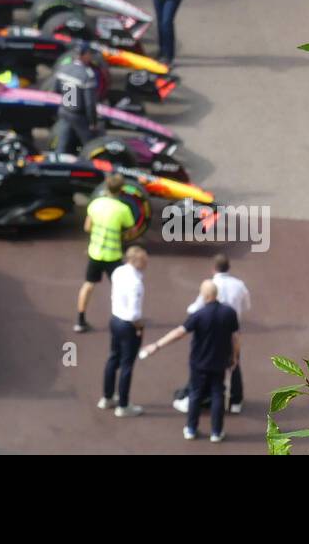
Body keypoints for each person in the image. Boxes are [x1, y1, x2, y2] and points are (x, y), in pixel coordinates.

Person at [141, 279, 240, 442]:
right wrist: (235, 356)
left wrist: (157, 345)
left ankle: (191, 429)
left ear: (205, 295)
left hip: (199, 363)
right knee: (217, 394)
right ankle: (216, 432)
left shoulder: (199, 315)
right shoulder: (229, 313)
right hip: (219, 362)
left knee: (195, 394)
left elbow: (179, 333)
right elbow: (235, 337)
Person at [183, 254, 252, 414]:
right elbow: (246, 305)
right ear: (229, 267)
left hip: (212, 331)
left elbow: (195, 308)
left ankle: (202, 396)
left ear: (213, 268)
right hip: (232, 330)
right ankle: (236, 401)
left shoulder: (211, 286)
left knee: (206, 365)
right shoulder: (239, 285)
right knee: (234, 364)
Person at [75, 172, 138, 333]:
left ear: (106, 187)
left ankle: (80, 321)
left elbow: (87, 227)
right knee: (121, 287)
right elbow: (132, 231)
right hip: (113, 256)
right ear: (121, 189)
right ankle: (123, 320)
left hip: (95, 253)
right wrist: (122, 235)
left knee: (88, 285)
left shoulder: (95, 204)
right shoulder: (123, 209)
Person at [99, 245, 147, 418]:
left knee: (113, 358)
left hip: (115, 320)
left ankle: (107, 397)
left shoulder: (118, 272)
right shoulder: (136, 284)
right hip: (128, 326)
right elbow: (134, 314)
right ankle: (123, 405)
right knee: (127, 365)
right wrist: (139, 327)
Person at [51, 42, 101, 156]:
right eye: (89, 54)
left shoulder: (64, 68)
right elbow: (90, 103)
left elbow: (56, 89)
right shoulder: (87, 74)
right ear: (84, 55)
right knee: (91, 145)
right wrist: (93, 122)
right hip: (78, 116)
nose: (91, 57)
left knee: (62, 145)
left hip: (64, 111)